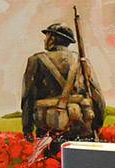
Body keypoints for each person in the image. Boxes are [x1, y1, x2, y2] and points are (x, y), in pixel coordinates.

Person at [21, 23, 105, 153]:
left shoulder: (35, 60)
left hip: (49, 127)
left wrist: (27, 128)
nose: (45, 40)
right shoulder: (81, 61)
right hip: (81, 126)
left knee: (52, 166)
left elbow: (28, 97)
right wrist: (98, 123)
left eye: (47, 36)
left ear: (53, 39)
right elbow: (97, 95)